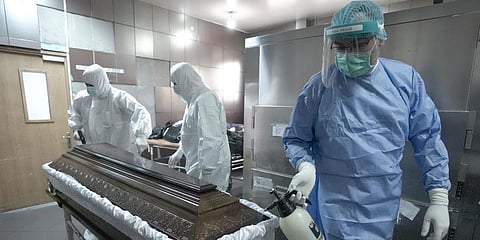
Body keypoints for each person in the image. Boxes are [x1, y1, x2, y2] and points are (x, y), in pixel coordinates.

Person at [282, 1, 450, 240]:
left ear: (380, 38)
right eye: (341, 47)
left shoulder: (404, 82)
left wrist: (439, 197)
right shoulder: (320, 86)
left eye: (360, 45)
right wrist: (306, 166)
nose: (349, 54)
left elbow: (428, 140)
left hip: (379, 211)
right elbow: (296, 138)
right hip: (329, 209)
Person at [168, 62, 231, 192]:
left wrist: (206, 171)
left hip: (211, 166)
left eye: (176, 83)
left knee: (211, 204)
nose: (174, 88)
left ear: (186, 80)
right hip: (198, 162)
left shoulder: (204, 99)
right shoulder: (192, 100)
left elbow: (211, 137)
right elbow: (190, 132)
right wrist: (180, 152)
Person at [68, 64, 152, 154]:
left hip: (118, 155)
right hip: (93, 153)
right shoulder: (83, 98)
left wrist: (141, 136)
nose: (89, 88)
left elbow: (140, 111)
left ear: (101, 81)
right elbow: (74, 113)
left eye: (91, 85)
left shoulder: (119, 97)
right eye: (87, 85)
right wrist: (76, 128)